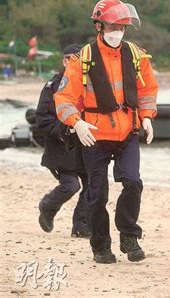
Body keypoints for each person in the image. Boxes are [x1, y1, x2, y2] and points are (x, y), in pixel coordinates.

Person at [54, 0, 159, 264]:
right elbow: (64, 98)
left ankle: (129, 236)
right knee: (97, 193)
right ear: (99, 26)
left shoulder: (137, 56)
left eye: (122, 28)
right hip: (94, 137)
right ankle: (100, 246)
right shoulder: (83, 60)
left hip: (127, 134)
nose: (118, 33)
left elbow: (147, 91)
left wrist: (147, 117)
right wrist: (76, 123)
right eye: (113, 27)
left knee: (133, 182)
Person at [36, 45, 90, 238]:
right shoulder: (52, 86)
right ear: (65, 62)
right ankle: (48, 207)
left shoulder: (89, 83)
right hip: (60, 147)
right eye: (72, 61)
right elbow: (42, 120)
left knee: (94, 185)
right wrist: (65, 131)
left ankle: (81, 225)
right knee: (71, 185)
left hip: (86, 144)